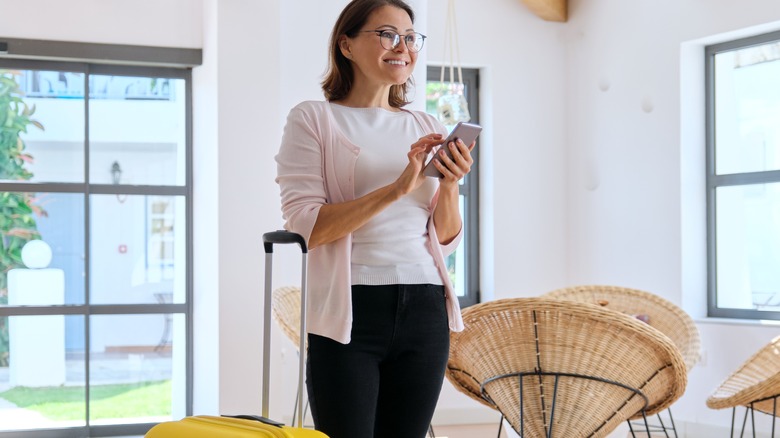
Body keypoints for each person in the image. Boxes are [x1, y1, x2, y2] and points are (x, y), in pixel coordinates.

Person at [275, 1, 474, 436]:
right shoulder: (314, 119)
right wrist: (396, 189)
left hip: (424, 307)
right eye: (387, 34)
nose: (402, 46)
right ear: (346, 44)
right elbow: (306, 226)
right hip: (350, 312)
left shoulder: (422, 122)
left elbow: (444, 239)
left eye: (410, 37)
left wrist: (452, 182)